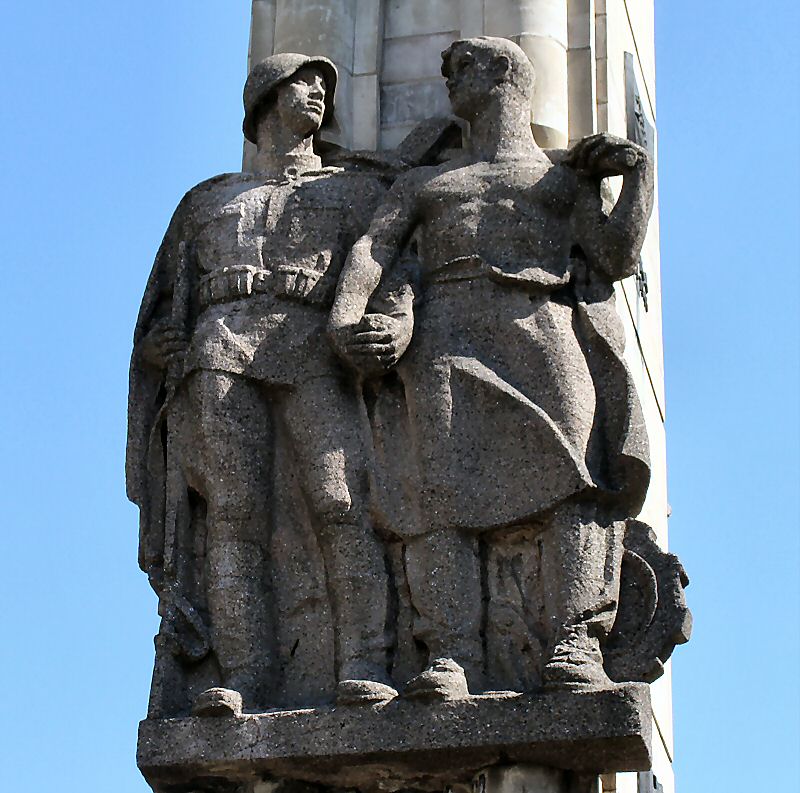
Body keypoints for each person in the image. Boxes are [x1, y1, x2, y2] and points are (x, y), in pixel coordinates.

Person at [329, 37, 654, 695]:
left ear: (504, 72)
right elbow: (372, 248)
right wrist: (344, 322)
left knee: (576, 478)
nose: (448, 79)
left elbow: (615, 256)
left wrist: (638, 175)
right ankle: (451, 653)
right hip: (446, 333)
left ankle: (575, 643)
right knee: (438, 494)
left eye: (461, 68)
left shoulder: (562, 180)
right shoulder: (426, 183)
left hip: (544, 326)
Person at [127, 53, 398, 713]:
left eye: (325, 85)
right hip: (218, 349)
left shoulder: (355, 191)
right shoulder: (205, 202)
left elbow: (398, 269)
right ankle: (244, 674)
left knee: (341, 500)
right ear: (265, 99)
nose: (317, 93)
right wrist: (155, 349)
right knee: (234, 513)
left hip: (310, 343)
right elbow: (162, 307)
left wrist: (395, 325)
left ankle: (362, 659)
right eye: (304, 82)